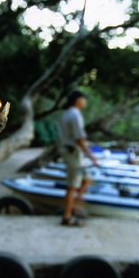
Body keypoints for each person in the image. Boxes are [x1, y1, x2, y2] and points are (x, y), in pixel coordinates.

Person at [57, 90, 98, 227]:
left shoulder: (70, 113)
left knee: (87, 179)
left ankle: (76, 205)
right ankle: (67, 217)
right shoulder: (74, 114)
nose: (85, 101)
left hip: (75, 153)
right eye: (83, 99)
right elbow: (79, 139)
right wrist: (92, 157)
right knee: (72, 186)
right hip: (72, 153)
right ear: (78, 100)